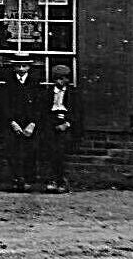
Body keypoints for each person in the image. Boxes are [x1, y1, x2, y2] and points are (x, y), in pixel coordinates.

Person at [1, 53, 42, 192]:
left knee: (30, 151)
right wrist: (12, 123)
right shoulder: (8, 83)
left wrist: (32, 123)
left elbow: (39, 106)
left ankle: (27, 179)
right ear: (13, 67)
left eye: (24, 66)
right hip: (13, 124)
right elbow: (4, 105)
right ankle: (16, 178)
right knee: (13, 150)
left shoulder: (35, 83)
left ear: (29, 67)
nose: (21, 69)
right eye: (18, 66)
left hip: (30, 125)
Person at [40, 64, 80, 193]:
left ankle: (61, 180)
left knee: (61, 152)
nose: (60, 82)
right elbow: (43, 112)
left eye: (63, 79)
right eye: (58, 79)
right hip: (51, 124)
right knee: (50, 151)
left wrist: (67, 124)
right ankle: (52, 179)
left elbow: (77, 114)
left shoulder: (73, 95)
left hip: (65, 124)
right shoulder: (48, 93)